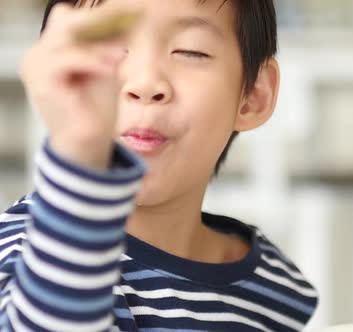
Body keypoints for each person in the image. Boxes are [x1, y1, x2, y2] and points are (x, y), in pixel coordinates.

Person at [0, 0, 318, 330]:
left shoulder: (274, 286)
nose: (146, 84)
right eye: (108, 46)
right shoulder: (27, 258)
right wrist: (81, 155)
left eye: (191, 51)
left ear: (253, 94)